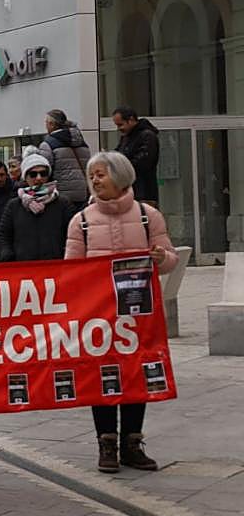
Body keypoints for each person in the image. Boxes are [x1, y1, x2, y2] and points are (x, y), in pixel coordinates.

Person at [65, 151, 176, 474]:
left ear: (122, 175)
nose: (96, 180)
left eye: (102, 174)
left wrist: (160, 257)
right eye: (93, 175)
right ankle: (106, 443)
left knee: (136, 374)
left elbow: (171, 259)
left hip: (138, 315)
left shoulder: (147, 216)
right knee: (101, 377)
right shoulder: (81, 221)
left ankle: (132, 443)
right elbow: (71, 272)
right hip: (98, 317)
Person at [0, 153, 73, 262]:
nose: (39, 178)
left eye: (43, 173)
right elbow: (2, 237)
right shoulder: (13, 206)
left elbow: (73, 237)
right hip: (24, 270)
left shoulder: (62, 203)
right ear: (25, 177)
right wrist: (7, 255)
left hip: (55, 269)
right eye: (33, 174)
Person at [37, 109, 92, 205]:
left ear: (52, 124)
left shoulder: (48, 144)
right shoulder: (82, 142)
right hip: (83, 192)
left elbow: (44, 171)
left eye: (46, 123)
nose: (45, 125)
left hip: (61, 194)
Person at [113, 107, 160, 206]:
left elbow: (143, 162)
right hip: (130, 191)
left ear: (131, 120)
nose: (119, 129)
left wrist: (121, 165)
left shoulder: (147, 136)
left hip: (144, 193)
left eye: (121, 124)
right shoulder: (126, 138)